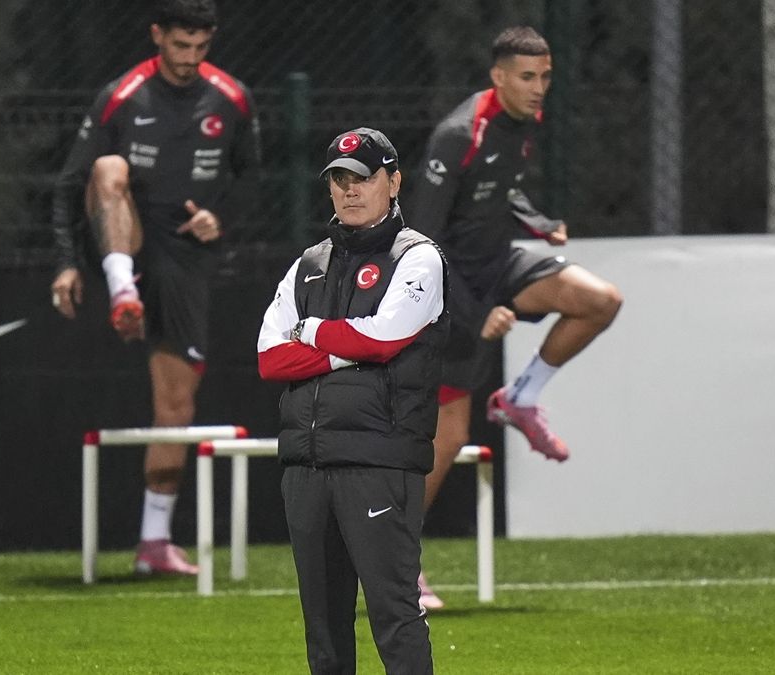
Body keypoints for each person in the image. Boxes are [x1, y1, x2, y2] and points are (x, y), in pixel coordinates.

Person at [405, 26, 624, 610]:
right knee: (448, 436)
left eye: (545, 76)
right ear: (498, 77)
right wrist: (475, 314)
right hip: (449, 286)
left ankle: (520, 398)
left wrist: (538, 222)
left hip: (499, 263)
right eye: (527, 77)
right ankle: (398, 565)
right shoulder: (458, 134)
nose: (538, 87)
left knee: (600, 300)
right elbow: (420, 242)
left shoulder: (523, 120)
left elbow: (502, 192)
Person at [49, 0, 261, 574]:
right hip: (123, 234)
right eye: (180, 45)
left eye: (201, 47)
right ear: (157, 36)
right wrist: (68, 264)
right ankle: (124, 290)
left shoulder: (233, 98)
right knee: (107, 169)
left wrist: (220, 218)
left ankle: (153, 542)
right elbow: (70, 183)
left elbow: (250, 177)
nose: (190, 57)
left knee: (176, 403)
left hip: (185, 253)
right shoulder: (122, 95)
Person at [258, 128, 446, 674]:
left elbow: (385, 340)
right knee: (323, 629)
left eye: (362, 178)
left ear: (394, 182)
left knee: (394, 614)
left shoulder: (418, 258)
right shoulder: (308, 264)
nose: (350, 190)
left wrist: (312, 331)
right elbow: (270, 358)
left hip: (379, 461)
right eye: (339, 179)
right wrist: (347, 350)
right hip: (308, 465)